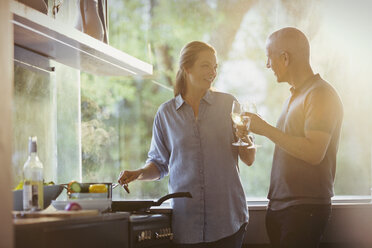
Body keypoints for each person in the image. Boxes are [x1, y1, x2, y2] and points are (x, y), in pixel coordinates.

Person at [117, 41, 256, 248]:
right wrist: (139, 173)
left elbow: (249, 158)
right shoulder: (166, 114)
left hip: (228, 221)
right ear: (186, 68)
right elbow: (159, 164)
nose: (213, 72)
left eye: (215, 67)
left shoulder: (228, 105)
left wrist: (244, 137)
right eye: (206, 66)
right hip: (187, 224)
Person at [240, 27, 343, 248]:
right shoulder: (295, 96)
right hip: (283, 208)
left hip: (304, 209)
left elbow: (314, 152)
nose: (268, 65)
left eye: (269, 58)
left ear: (285, 57)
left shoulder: (320, 94)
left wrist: (265, 128)